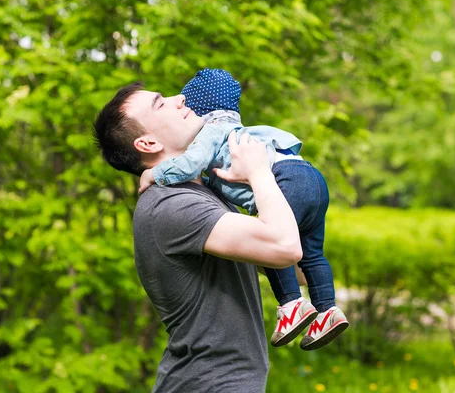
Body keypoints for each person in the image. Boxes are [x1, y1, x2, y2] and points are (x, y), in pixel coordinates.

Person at [93, 82, 302, 392]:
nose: (180, 99)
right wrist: (259, 172)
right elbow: (285, 247)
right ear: (147, 143)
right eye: (160, 103)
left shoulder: (204, 193)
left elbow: (294, 270)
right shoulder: (172, 205)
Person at [139, 68, 349, 350]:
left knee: (271, 241)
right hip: (311, 178)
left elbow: (189, 164)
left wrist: (154, 174)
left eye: (187, 106)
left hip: (284, 178)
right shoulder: (237, 129)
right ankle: (327, 311)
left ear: (200, 110)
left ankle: (291, 304)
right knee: (312, 255)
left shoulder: (211, 130)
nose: (181, 109)